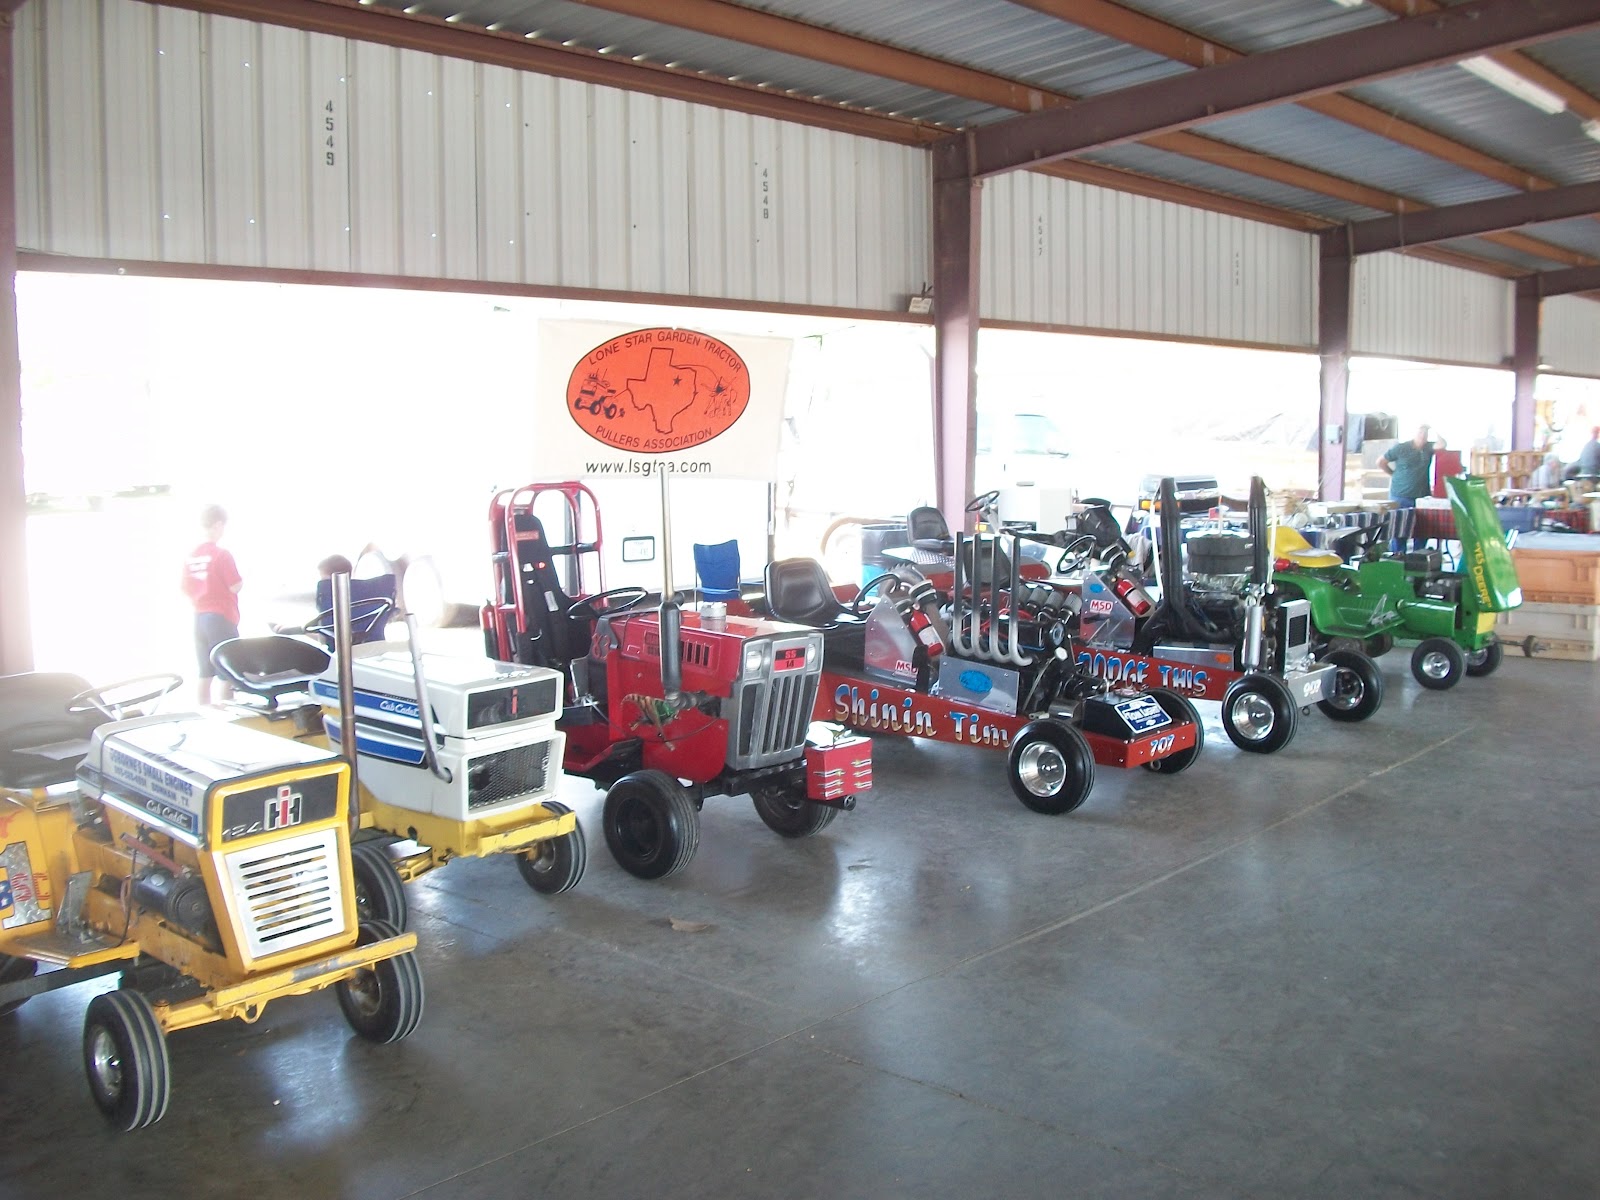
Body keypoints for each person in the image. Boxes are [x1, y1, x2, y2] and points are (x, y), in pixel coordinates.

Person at [180, 504, 243, 705]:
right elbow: (235, 586)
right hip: (221, 616)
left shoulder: (191, 555)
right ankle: (229, 712)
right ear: (218, 524)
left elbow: (184, 587)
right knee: (228, 670)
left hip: (199, 616)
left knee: (205, 672)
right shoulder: (221, 554)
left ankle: (203, 711)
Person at [1382, 424, 1445, 553]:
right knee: (1399, 530)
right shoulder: (1401, 448)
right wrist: (1392, 474)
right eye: (1420, 432)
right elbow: (1381, 462)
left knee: (1422, 530)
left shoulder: (1428, 448)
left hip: (1421, 497)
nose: (1423, 435)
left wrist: (1435, 428)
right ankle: (1398, 557)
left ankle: (1418, 557)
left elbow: (1442, 444)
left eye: (1425, 433)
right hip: (1400, 496)